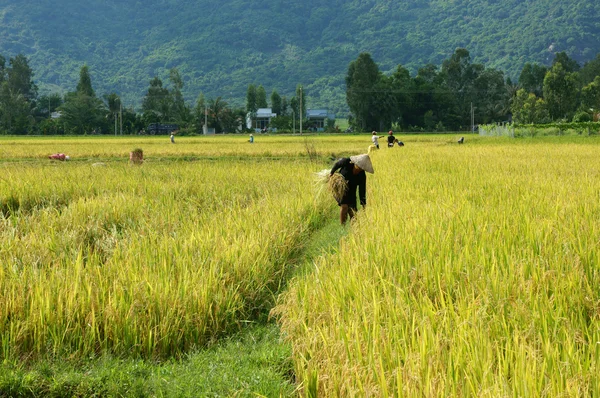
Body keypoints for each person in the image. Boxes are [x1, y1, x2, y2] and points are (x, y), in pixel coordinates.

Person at [329, 153, 374, 225]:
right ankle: (342, 226)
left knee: (353, 211)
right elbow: (337, 164)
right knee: (344, 206)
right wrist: (331, 173)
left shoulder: (362, 176)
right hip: (340, 187)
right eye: (358, 168)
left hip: (352, 190)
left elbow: (362, 190)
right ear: (355, 164)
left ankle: (354, 229)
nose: (358, 170)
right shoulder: (347, 162)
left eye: (361, 169)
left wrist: (363, 204)